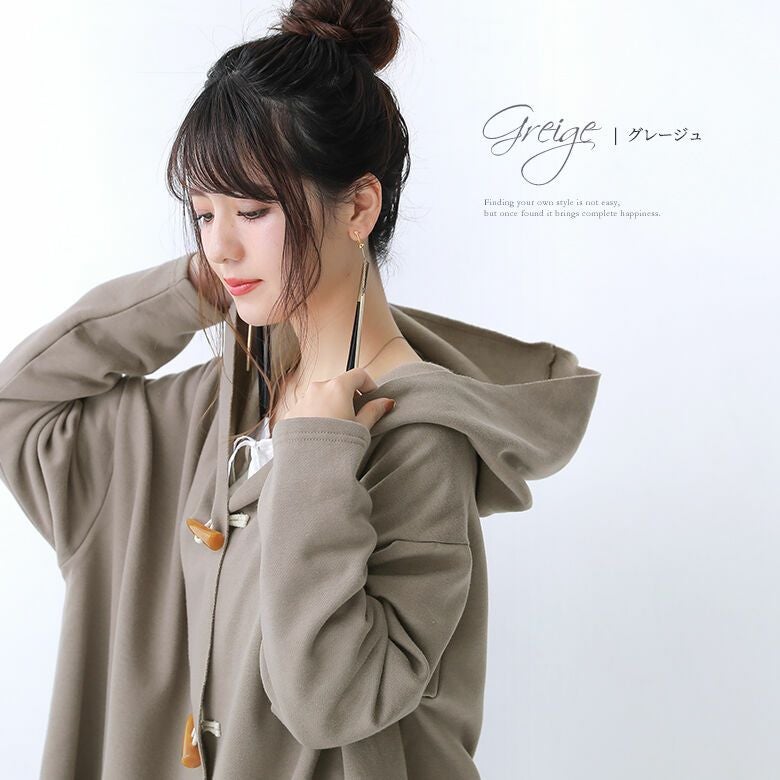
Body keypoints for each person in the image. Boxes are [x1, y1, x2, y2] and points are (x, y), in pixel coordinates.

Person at [0, 1, 601, 778]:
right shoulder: (218, 405)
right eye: (203, 213)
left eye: (252, 211)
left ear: (359, 206)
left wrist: (316, 458)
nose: (220, 245)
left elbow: (329, 703)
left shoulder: (416, 437)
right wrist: (190, 292)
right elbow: (20, 407)